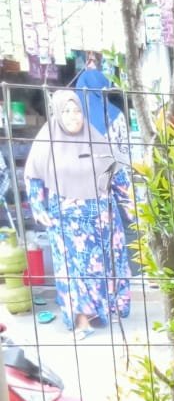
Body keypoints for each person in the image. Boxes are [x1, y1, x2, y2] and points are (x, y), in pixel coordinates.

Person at [25, 88, 132, 336]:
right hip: (66, 220)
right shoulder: (46, 142)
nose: (73, 117)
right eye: (67, 111)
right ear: (57, 114)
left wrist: (130, 206)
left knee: (104, 265)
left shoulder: (96, 139)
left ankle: (101, 311)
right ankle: (81, 319)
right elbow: (33, 178)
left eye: (77, 111)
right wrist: (38, 207)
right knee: (73, 270)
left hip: (102, 217)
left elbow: (117, 175)